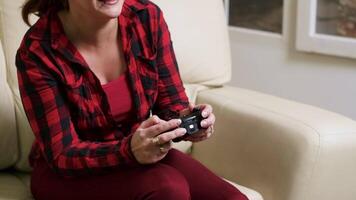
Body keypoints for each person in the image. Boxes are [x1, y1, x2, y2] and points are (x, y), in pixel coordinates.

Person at [16, 0, 249, 199]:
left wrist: (190, 124)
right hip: (67, 172)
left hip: (139, 151)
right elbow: (62, 154)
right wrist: (129, 150)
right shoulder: (38, 52)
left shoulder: (146, 18)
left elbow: (171, 108)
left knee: (233, 198)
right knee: (168, 188)